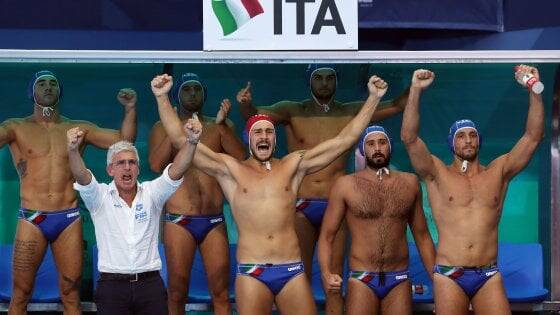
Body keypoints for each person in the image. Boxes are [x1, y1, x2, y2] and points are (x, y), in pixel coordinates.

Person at [152, 72, 388, 314]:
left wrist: (373, 98)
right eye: (258, 132)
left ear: (275, 140)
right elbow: (180, 139)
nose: (263, 136)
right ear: (249, 138)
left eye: (269, 132)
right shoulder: (231, 170)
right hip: (253, 271)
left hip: (291, 271)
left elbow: (344, 140)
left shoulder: (292, 166)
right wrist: (161, 97)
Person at [236, 64, 408, 313]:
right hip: (303, 204)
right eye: (319, 77)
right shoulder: (292, 109)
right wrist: (245, 105)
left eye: (330, 77)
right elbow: (257, 120)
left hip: (335, 205)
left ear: (337, 81)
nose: (325, 82)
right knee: (297, 274)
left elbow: (395, 106)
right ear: (310, 81)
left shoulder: (349, 111)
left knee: (334, 279)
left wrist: (414, 87)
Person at [400, 66, 544, 314]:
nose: (468, 140)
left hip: (488, 273)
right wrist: (415, 91)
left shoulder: (498, 171)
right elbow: (409, 138)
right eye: (461, 136)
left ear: (479, 140)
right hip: (449, 274)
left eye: (472, 135)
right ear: (451, 142)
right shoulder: (437, 173)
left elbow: (533, 137)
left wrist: (535, 91)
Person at [0, 70, 136, 314]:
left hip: (68, 218)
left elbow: (124, 142)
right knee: (20, 294)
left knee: (71, 294)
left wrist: (130, 109)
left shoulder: (78, 128)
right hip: (32, 218)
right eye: (42, 83)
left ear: (60, 91)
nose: (48, 87)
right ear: (32, 91)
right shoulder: (15, 127)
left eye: (53, 83)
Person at [68, 115, 201, 315]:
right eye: (121, 163)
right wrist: (73, 150)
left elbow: (176, 171)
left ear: (138, 168)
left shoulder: (152, 193)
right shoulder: (99, 197)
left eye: (132, 162)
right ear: (110, 170)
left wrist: (191, 142)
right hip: (112, 287)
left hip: (150, 286)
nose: (127, 167)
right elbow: (82, 176)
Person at [148, 73, 245, 315]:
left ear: (204, 94)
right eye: (187, 89)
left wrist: (222, 126)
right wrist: (178, 134)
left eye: (197, 89)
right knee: (177, 292)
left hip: (213, 220)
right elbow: (155, 165)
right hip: (180, 219)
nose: (192, 94)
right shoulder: (162, 126)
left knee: (221, 292)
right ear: (178, 95)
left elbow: (241, 159)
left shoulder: (220, 125)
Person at [318, 125, 436, 314]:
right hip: (362, 277)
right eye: (371, 143)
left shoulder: (410, 183)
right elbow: (327, 236)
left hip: (398, 278)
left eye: (382, 142)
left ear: (390, 146)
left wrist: (437, 279)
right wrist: (325, 273)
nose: (377, 148)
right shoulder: (345, 185)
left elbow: (422, 236)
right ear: (363, 150)